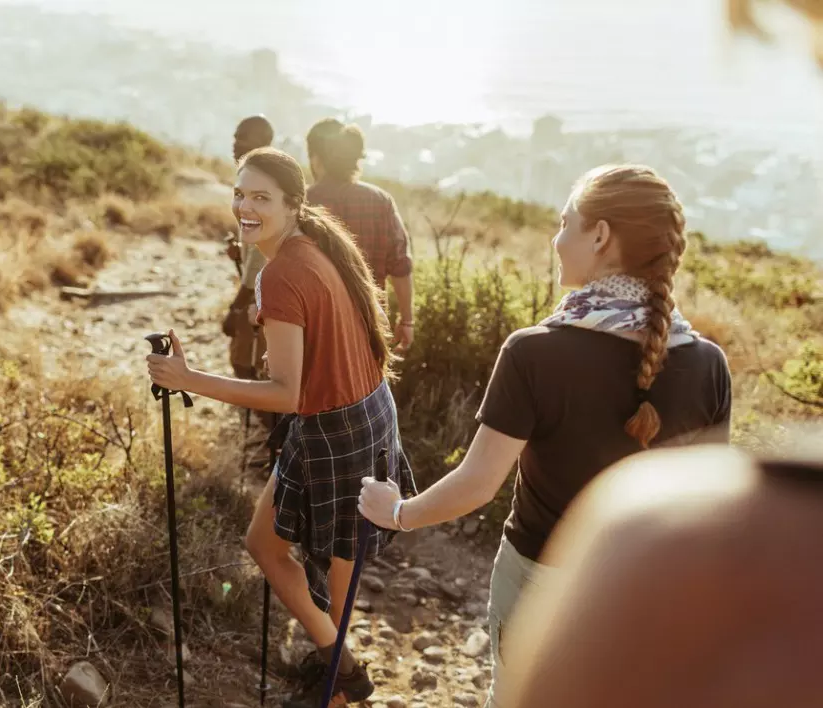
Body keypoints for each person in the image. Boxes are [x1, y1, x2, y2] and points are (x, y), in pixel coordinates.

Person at [357, 164, 733, 707]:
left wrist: (395, 512)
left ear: (600, 235)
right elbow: (712, 515)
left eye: (565, 223)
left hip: (542, 584)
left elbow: (478, 485)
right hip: (654, 592)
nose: (556, 240)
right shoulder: (709, 363)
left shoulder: (534, 352)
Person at [147, 147, 417, 707]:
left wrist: (188, 377)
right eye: (239, 193)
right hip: (366, 412)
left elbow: (284, 394)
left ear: (294, 204)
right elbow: (316, 329)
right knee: (270, 545)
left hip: (336, 428)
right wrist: (271, 322)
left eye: (260, 197)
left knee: (321, 571)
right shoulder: (314, 246)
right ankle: (339, 666)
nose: (244, 206)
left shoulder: (280, 272)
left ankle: (341, 678)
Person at [493, 443, 823, 708]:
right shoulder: (709, 364)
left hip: (558, 560)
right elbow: (708, 462)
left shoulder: (649, 520)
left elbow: (479, 482)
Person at [306, 119, 416, 351]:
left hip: (311, 326)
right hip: (369, 327)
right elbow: (400, 265)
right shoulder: (380, 201)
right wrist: (406, 320)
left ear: (316, 159)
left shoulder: (301, 203)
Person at [225, 115, 275, 382]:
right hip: (257, 289)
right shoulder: (253, 177)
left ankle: (264, 421)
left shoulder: (262, 180)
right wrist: (240, 249)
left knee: (249, 363)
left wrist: (235, 309)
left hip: (261, 294)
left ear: (261, 143)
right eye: (235, 137)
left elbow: (259, 260)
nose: (235, 144)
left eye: (242, 138)